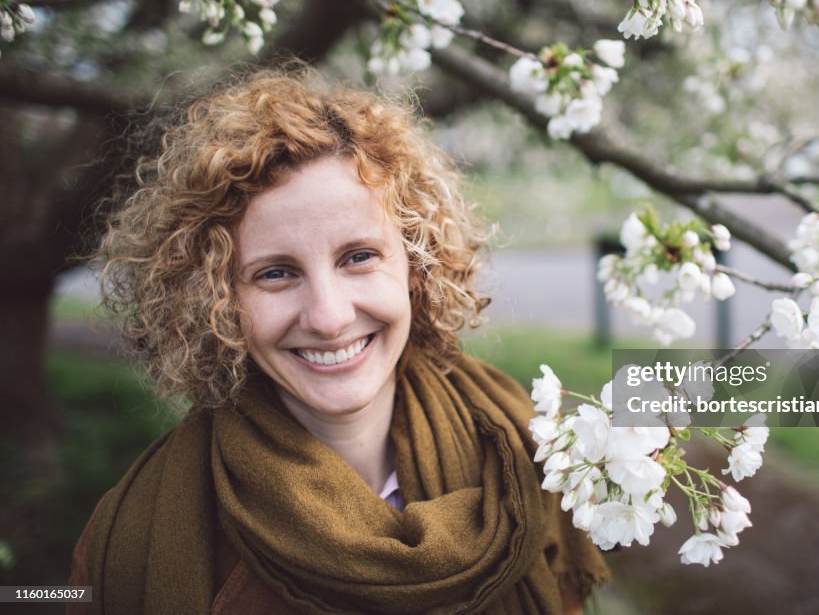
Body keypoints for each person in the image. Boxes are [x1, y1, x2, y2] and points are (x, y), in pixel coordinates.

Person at [69, 68, 609, 614]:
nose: (328, 318)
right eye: (275, 273)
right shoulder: (134, 537)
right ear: (215, 300)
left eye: (358, 257)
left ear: (416, 265)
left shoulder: (529, 450)